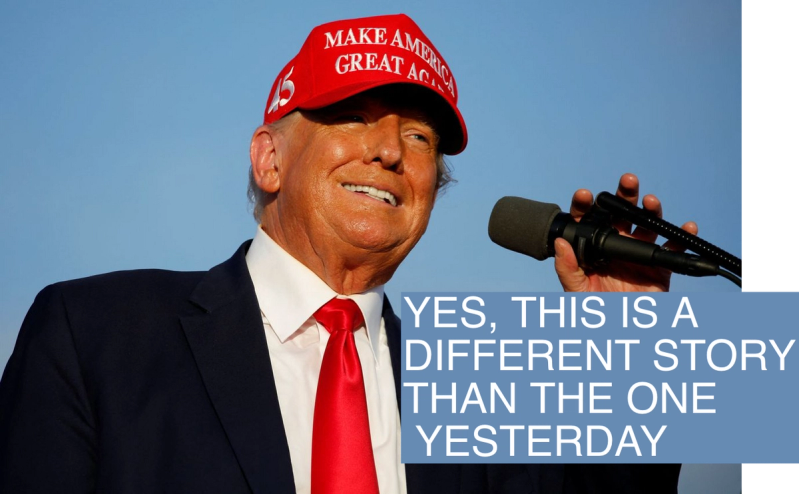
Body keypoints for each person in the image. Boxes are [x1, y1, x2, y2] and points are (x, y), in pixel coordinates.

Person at [0, 13, 689, 494]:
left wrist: (632, 350)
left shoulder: (476, 388)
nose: (390, 150)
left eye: (420, 138)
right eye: (353, 116)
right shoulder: (95, 332)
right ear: (269, 159)